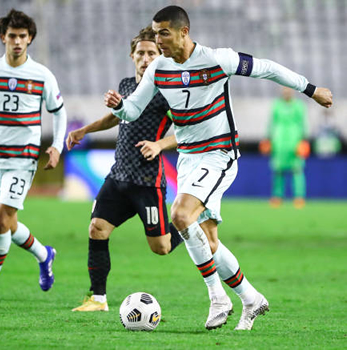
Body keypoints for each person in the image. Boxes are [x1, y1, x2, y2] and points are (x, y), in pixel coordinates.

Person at [104, 6, 333, 330]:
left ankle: (217, 297)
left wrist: (310, 89)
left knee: (181, 215)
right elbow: (134, 109)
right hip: (188, 157)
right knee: (207, 238)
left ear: (184, 32)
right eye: (155, 33)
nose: (158, 40)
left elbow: (266, 68)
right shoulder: (158, 69)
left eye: (163, 33)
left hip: (219, 153)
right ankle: (252, 298)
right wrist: (119, 106)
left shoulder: (216, 59)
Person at [67, 27, 183, 312]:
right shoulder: (127, 85)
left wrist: (159, 145)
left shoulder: (168, 92)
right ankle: (98, 298)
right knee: (97, 229)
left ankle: (190, 224)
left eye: (151, 53)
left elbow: (187, 130)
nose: (145, 58)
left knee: (161, 248)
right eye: (141, 53)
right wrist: (86, 129)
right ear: (132, 56)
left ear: (160, 57)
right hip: (118, 176)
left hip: (147, 181)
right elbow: (116, 116)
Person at [0, 9, 67, 300]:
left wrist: (56, 146)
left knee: (0, 220)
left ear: (30, 38)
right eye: (12, 36)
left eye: (22, 36)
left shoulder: (42, 75)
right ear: (2, 37)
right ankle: (44, 255)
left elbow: (59, 113)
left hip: (23, 158)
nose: (17, 41)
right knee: (7, 222)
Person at [259, 87, 309, 208]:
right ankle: (277, 197)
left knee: (297, 170)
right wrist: (267, 139)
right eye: (284, 90)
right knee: (278, 171)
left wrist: (304, 140)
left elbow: (303, 123)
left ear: (292, 92)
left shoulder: (298, 105)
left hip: (294, 140)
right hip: (279, 141)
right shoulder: (276, 105)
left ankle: (299, 197)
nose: (286, 92)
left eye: (289, 90)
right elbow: (272, 123)